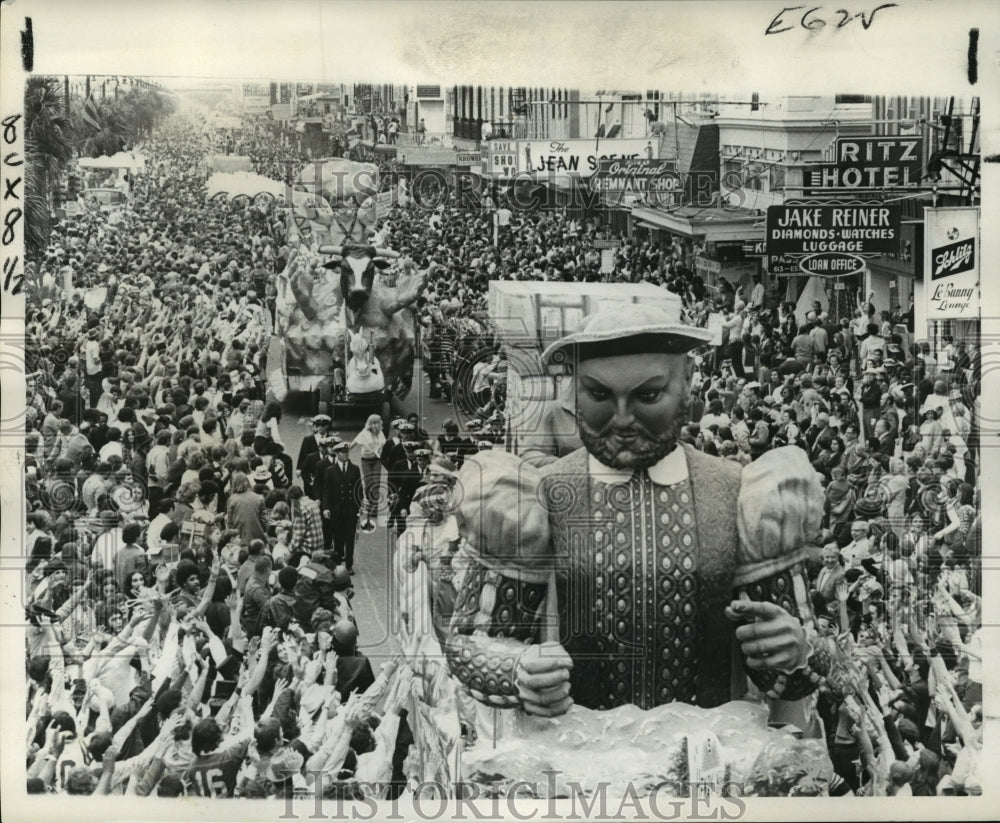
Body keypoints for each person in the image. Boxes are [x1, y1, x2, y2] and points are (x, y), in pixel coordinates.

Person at [445, 305, 821, 716]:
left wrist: (796, 649)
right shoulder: (538, 496)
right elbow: (470, 640)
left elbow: (796, 672)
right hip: (578, 764)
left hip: (707, 762)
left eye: (647, 396)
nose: (622, 419)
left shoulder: (740, 493)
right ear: (574, 391)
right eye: (600, 395)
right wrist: (517, 670)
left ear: (688, 383)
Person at [322, 441, 361, 573]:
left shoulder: (355, 469)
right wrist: (326, 508)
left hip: (350, 509)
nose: (345, 454)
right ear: (337, 453)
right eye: (343, 452)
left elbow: (358, 489)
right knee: (338, 538)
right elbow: (326, 490)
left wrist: (360, 506)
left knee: (350, 538)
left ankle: (349, 565)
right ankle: (338, 564)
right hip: (336, 509)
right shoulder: (330, 471)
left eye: (347, 452)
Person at [352, 413, 386, 533]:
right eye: (379, 421)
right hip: (366, 461)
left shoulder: (380, 433)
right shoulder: (364, 434)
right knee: (368, 483)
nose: (381, 423)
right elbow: (353, 444)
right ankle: (369, 503)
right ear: (373, 423)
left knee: (376, 483)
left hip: (376, 461)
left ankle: (374, 509)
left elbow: (384, 444)